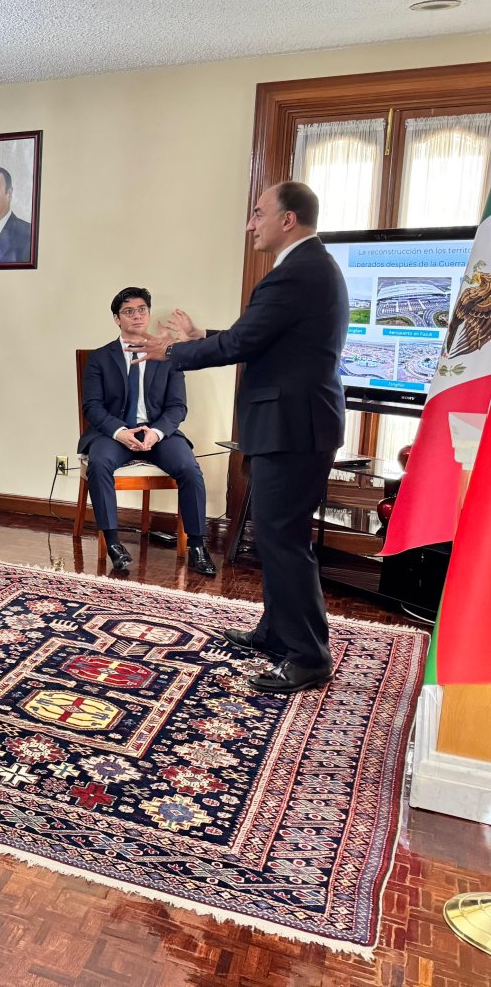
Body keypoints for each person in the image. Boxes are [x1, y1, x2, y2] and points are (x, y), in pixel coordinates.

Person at [131, 181, 347, 694]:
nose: (250, 224)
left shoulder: (296, 273)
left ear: (287, 220)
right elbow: (260, 336)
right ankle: (277, 631)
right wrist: (203, 338)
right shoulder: (306, 268)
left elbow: (247, 341)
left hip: (293, 428)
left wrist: (174, 353)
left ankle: (309, 655)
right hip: (292, 424)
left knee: (282, 537)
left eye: (257, 213)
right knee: (273, 535)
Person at [80, 287, 215, 578]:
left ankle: (198, 546)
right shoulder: (100, 358)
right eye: (129, 311)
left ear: (149, 314)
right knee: (99, 463)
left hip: (157, 434)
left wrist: (156, 432)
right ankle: (114, 544)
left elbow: (178, 407)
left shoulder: (168, 356)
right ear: (117, 319)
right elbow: (92, 406)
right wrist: (119, 431)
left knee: (190, 468)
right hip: (114, 435)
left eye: (142, 310)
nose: (137, 316)